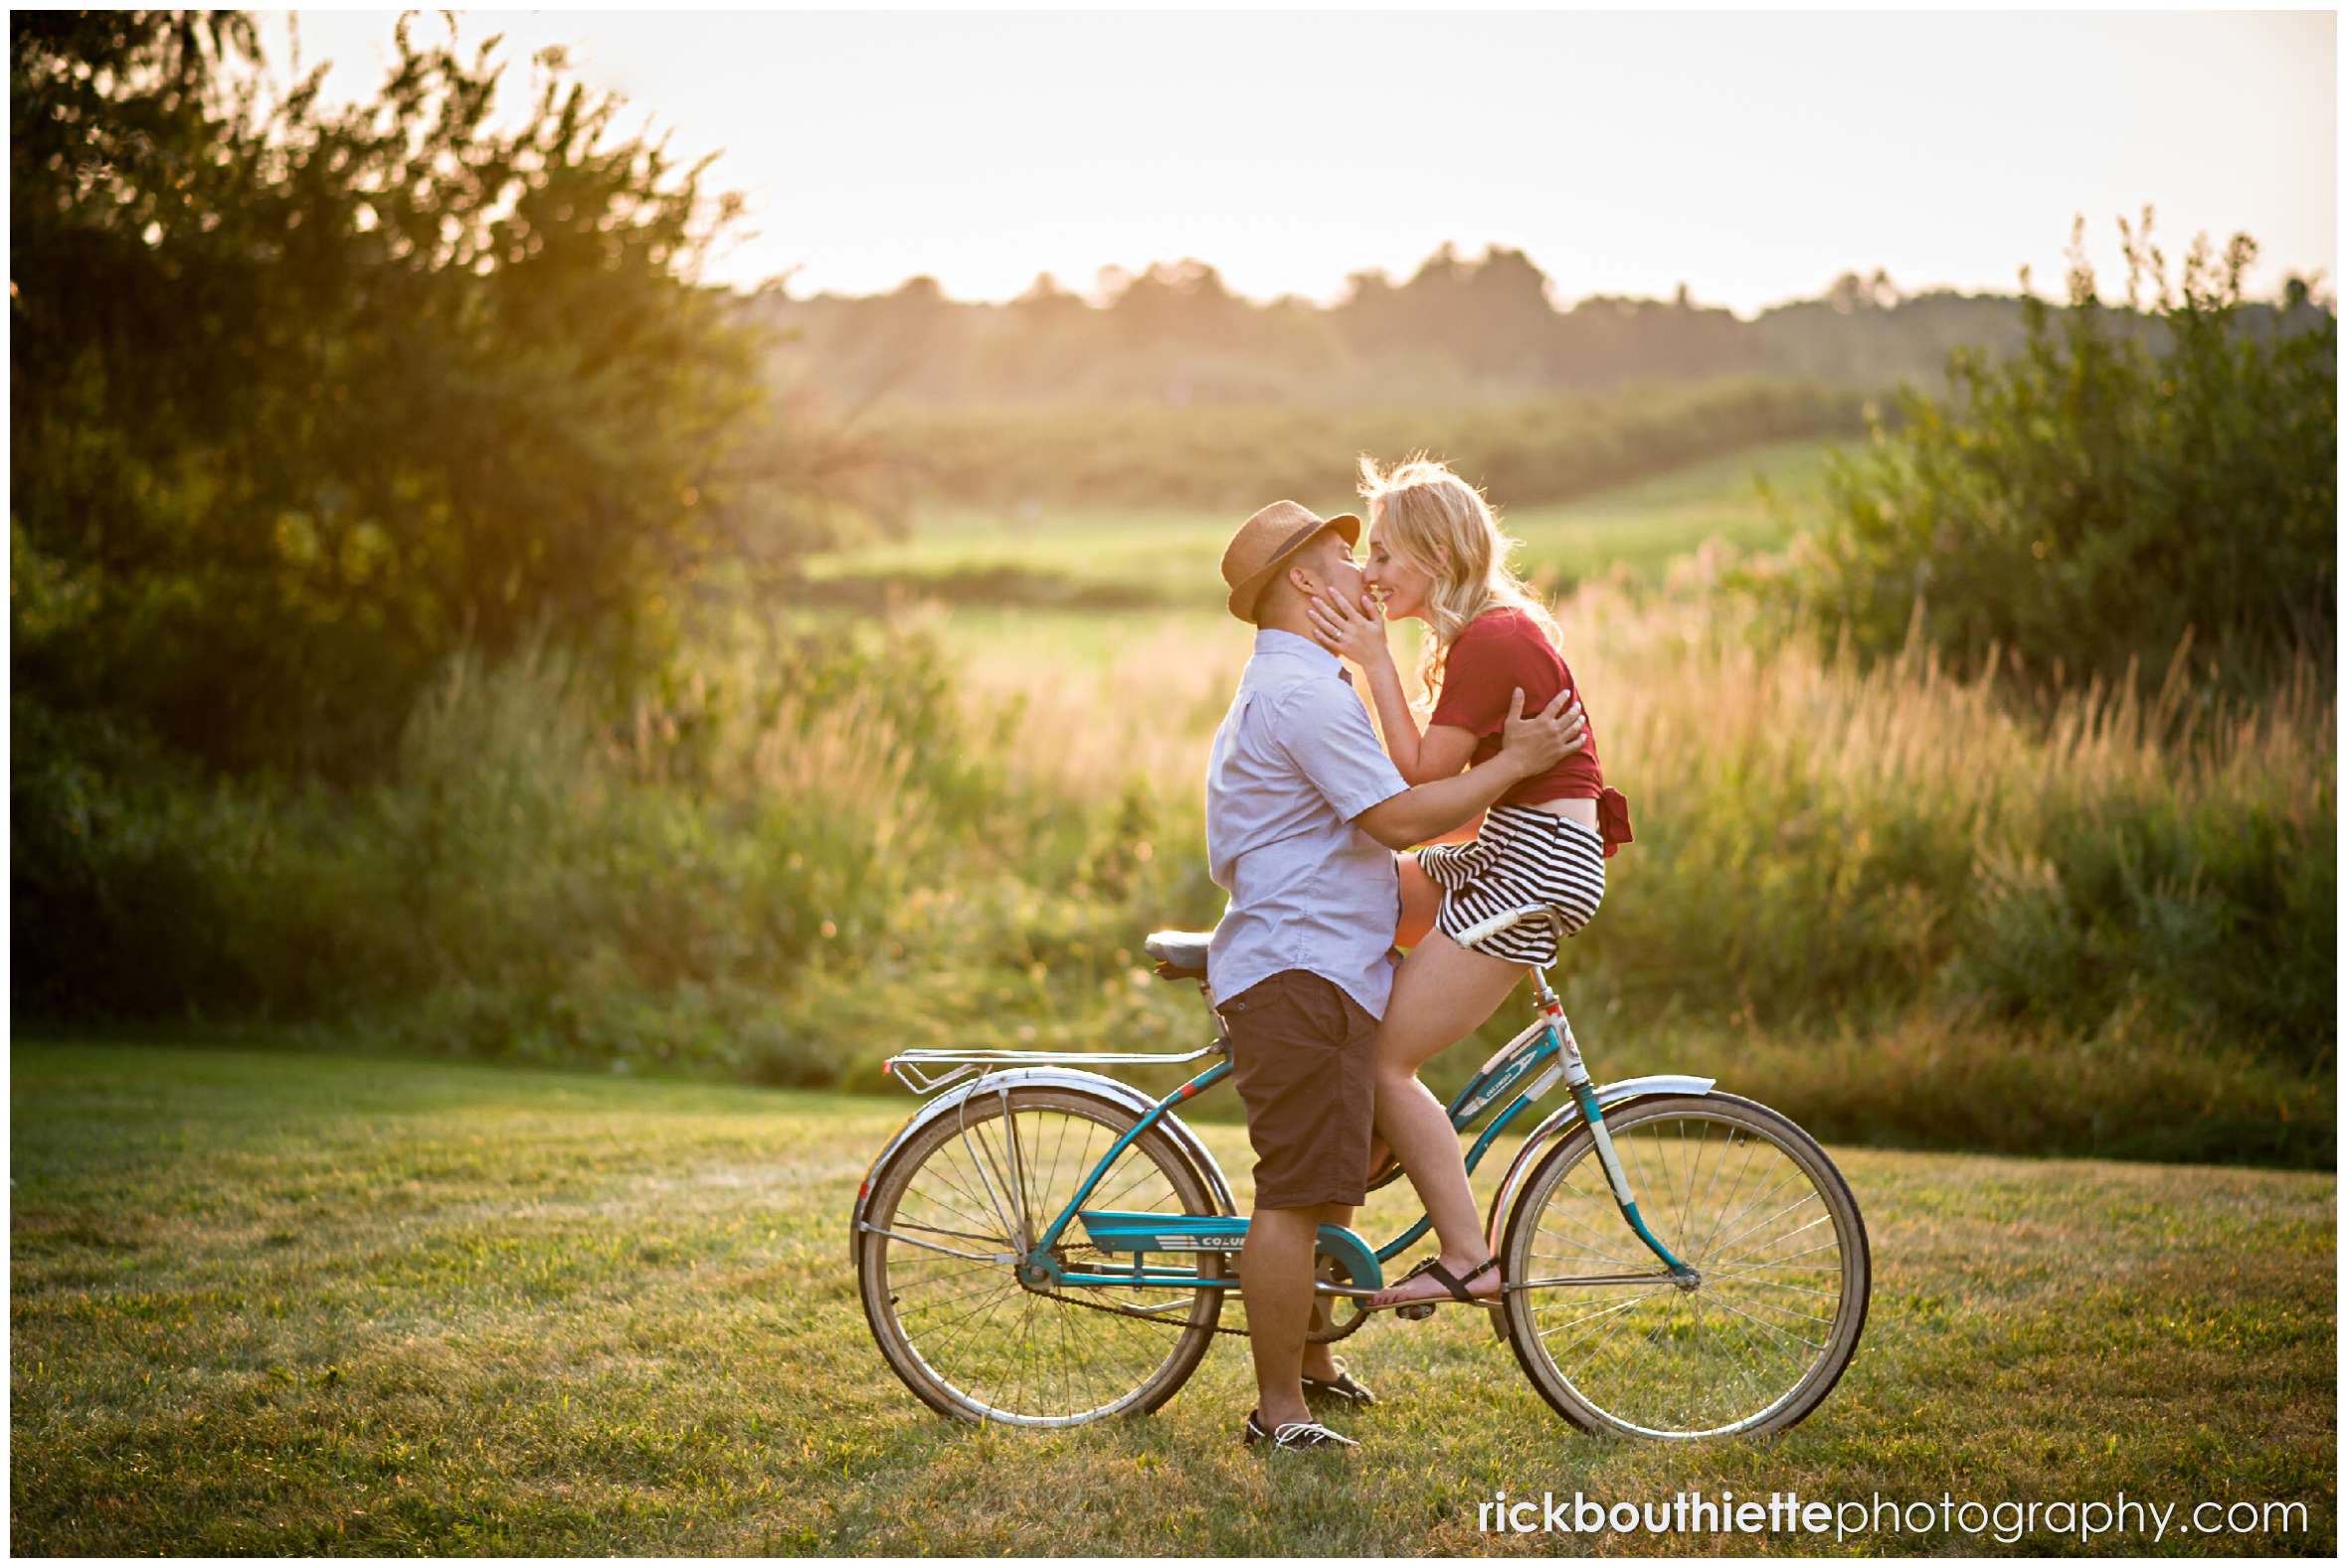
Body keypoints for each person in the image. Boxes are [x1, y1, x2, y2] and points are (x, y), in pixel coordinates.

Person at [1204, 497, 1586, 1452]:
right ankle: (1278, 1411)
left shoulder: (1314, 682)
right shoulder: (1302, 695)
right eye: (1349, 557)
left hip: (1324, 955)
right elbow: (1404, 817)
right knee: (1296, 1192)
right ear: (1305, 580)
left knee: (1335, 1169)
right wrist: (1518, 768)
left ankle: (1317, 1365)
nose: (1364, 574)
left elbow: (1416, 808)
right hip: (1300, 962)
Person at [1302, 456, 1633, 1313]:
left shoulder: (1490, 640)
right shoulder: (1489, 632)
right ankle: (1369, 1128)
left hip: (1533, 866)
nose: (1370, 576)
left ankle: (1466, 1254)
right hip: (1513, 848)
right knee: (1368, 891)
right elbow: (1445, 809)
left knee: (1385, 1059)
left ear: (1436, 554)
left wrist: (1373, 660)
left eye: (1383, 556)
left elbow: (1417, 776)